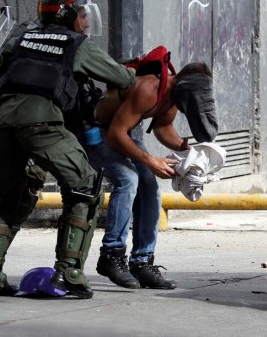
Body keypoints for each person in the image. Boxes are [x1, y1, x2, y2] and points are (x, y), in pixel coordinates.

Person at [0, 0, 136, 299]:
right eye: (81, 15)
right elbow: (122, 78)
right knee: (84, 184)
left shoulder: (20, 39)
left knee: (12, 196)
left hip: (4, 126)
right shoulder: (76, 44)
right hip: (43, 123)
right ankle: (69, 273)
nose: (85, 22)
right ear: (68, 16)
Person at [83, 60, 217, 290]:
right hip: (94, 130)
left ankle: (142, 262)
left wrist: (191, 151)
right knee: (128, 179)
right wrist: (151, 161)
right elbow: (116, 134)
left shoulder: (172, 97)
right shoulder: (148, 88)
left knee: (150, 188)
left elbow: (163, 129)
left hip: (118, 131)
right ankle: (111, 255)